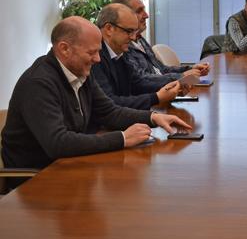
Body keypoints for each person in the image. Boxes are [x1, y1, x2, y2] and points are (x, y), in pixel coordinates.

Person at [0, 17, 191, 185]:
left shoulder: (79, 70)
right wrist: (122, 138)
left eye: (99, 51)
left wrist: (153, 117)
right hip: (35, 182)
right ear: (64, 49)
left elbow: (110, 112)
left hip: (68, 166)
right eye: (91, 53)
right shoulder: (38, 83)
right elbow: (57, 143)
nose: (98, 59)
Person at [91, 4, 181, 110]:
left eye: (135, 31)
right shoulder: (93, 56)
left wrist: (173, 85)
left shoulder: (119, 50)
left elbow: (137, 83)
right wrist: (156, 98)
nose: (133, 38)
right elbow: (110, 102)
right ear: (109, 29)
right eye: (129, 31)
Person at [112, 0, 210, 78]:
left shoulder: (140, 39)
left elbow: (161, 69)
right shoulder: (122, 46)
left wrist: (190, 69)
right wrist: (181, 76)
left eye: (144, 10)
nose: (146, 15)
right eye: (139, 11)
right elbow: (141, 80)